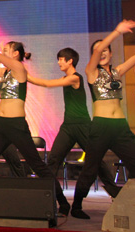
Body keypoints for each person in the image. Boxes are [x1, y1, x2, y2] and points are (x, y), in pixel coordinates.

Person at [0, 27, 70, 216]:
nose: (3, 51)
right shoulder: (4, 72)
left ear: (15, 54)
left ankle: (62, 201)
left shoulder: (20, 69)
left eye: (6, 50)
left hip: (16, 124)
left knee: (36, 164)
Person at [71, 21, 135, 219]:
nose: (102, 52)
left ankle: (134, 203)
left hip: (120, 128)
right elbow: (98, 52)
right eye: (98, 50)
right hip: (101, 127)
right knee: (90, 168)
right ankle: (76, 206)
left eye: (106, 50)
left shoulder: (117, 72)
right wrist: (116, 31)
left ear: (111, 54)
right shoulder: (91, 72)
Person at [27, 47, 119, 196]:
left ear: (70, 61)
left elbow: (47, 84)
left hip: (82, 125)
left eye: (61, 59)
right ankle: (44, 193)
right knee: (54, 159)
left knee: (95, 159)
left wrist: (25, 76)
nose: (58, 63)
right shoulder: (66, 78)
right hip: (68, 126)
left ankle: (114, 191)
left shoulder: (75, 78)